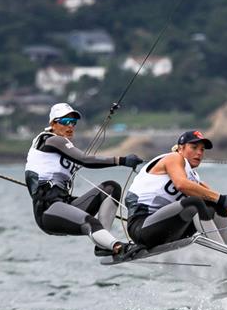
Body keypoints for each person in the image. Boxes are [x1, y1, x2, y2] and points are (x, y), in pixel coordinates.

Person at [25, 102, 144, 257]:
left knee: (111, 188)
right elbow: (85, 160)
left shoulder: (61, 146)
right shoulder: (52, 140)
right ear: (53, 123)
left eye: (73, 123)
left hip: (64, 203)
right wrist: (121, 160)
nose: (70, 126)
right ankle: (117, 247)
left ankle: (104, 244)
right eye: (65, 122)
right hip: (47, 210)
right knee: (91, 222)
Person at [125, 130, 227, 248]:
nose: (199, 153)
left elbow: (223, 206)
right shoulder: (173, 158)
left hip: (168, 231)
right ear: (180, 148)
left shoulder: (195, 180)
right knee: (195, 203)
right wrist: (221, 198)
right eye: (193, 147)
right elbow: (181, 185)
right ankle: (222, 254)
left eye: (202, 150)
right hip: (142, 228)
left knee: (214, 206)